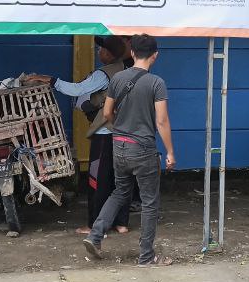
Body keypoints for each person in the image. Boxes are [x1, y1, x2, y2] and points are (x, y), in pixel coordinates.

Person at [83, 34, 175, 267]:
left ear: (132, 53)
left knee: (120, 192)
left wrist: (121, 128)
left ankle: (95, 235)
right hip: (142, 148)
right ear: (155, 55)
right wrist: (171, 152)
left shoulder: (117, 78)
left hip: (119, 145)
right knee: (150, 202)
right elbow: (162, 121)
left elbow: (106, 114)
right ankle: (146, 256)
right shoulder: (156, 83)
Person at [50, 36, 135, 235]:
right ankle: (121, 223)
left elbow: (77, 90)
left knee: (98, 179)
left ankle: (93, 223)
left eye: (101, 49)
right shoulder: (130, 69)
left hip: (105, 134)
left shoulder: (104, 74)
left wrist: (52, 80)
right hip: (126, 133)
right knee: (121, 178)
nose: (98, 52)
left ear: (108, 53)